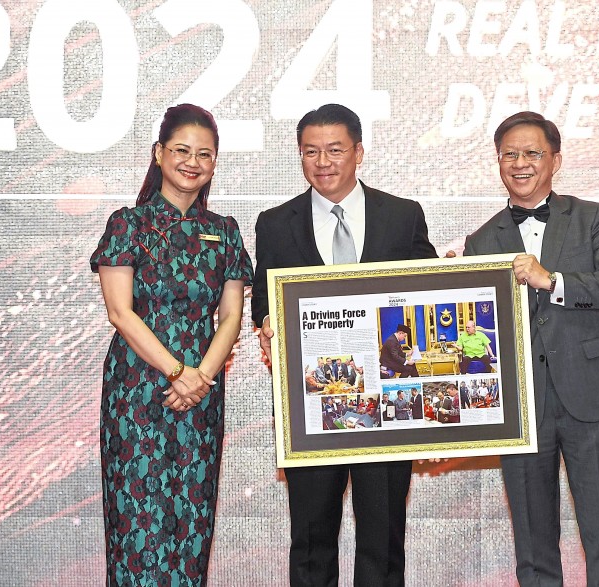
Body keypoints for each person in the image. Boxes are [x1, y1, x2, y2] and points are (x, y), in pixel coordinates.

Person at [251, 103, 438, 586]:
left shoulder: (401, 215)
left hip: (388, 407)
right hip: (312, 406)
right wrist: (270, 321)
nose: (323, 162)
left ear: (359, 151)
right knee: (311, 539)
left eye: (335, 149)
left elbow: (430, 297)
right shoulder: (275, 223)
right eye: (310, 152)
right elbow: (262, 301)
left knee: (383, 537)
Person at [463, 111, 599, 586]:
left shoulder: (591, 216)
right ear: (498, 162)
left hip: (591, 395)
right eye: (509, 155)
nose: (520, 163)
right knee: (533, 543)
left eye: (532, 153)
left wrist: (552, 280)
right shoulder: (481, 239)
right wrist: (453, 290)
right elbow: (476, 335)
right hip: (519, 407)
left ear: (555, 160)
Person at [90, 104, 252, 586]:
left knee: (191, 524)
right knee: (136, 526)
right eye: (182, 150)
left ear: (215, 163)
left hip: (202, 394)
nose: (192, 161)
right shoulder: (128, 224)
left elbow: (232, 316)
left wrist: (200, 376)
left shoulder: (224, 232)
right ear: (159, 153)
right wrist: (178, 373)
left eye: (205, 153)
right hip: (139, 393)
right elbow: (121, 312)